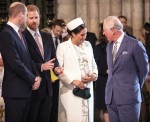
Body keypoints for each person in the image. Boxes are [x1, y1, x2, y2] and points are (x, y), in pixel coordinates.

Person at [0, 2, 41, 122]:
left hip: (25, 91)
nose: (28, 20)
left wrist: (37, 76)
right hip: (15, 93)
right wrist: (33, 79)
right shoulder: (6, 34)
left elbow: (28, 59)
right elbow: (15, 64)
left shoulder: (19, 34)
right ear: (21, 15)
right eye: (27, 15)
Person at [103, 16, 149, 122]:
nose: (103, 33)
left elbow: (144, 70)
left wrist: (133, 87)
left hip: (128, 98)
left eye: (105, 30)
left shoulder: (135, 45)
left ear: (113, 30)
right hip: (111, 98)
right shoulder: (109, 46)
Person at [22, 5, 62, 122]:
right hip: (32, 86)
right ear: (25, 18)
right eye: (31, 18)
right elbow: (23, 61)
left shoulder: (47, 36)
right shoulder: (22, 36)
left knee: (45, 118)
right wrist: (41, 66)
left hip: (48, 87)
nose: (34, 21)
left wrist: (56, 68)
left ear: (40, 17)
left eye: (36, 17)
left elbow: (53, 57)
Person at [56, 17, 98, 122]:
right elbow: (58, 70)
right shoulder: (63, 47)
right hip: (70, 90)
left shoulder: (88, 45)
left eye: (86, 34)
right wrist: (73, 81)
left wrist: (93, 75)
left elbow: (93, 64)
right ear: (73, 34)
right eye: (82, 35)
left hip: (87, 87)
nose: (84, 37)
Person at [94, 34, 109, 121]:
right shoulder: (99, 48)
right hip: (103, 80)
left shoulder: (117, 46)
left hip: (115, 81)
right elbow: (94, 65)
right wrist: (105, 70)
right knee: (105, 108)